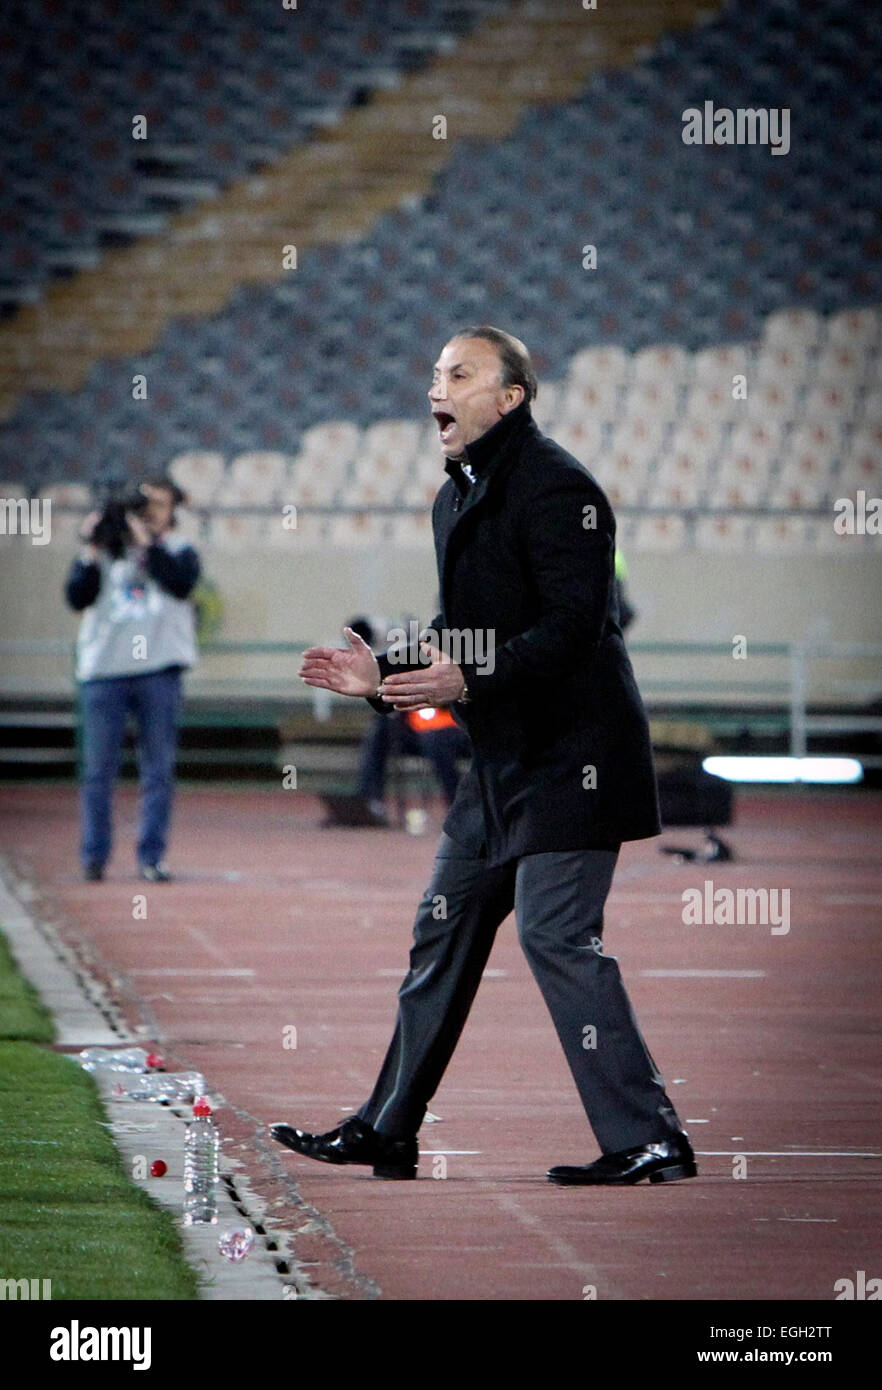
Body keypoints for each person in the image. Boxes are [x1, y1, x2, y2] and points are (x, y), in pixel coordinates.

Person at [272, 327, 696, 1186]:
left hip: (575, 759)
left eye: (460, 374)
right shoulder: (454, 498)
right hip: (500, 768)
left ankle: (650, 1138)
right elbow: (460, 641)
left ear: (510, 398)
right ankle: (388, 1126)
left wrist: (468, 675)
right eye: (434, 373)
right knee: (441, 929)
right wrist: (383, 673)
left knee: (554, 935)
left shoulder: (559, 488)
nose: (438, 387)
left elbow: (578, 627)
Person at [64, 477, 199, 882]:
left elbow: (178, 582)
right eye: (144, 507)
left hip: (158, 671)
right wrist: (91, 546)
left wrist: (147, 542)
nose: (150, 513)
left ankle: (151, 856)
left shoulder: (179, 550)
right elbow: (76, 597)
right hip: (104, 672)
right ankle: (94, 856)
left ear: (172, 510)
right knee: (97, 770)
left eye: (159, 506)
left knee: (157, 769)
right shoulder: (103, 552)